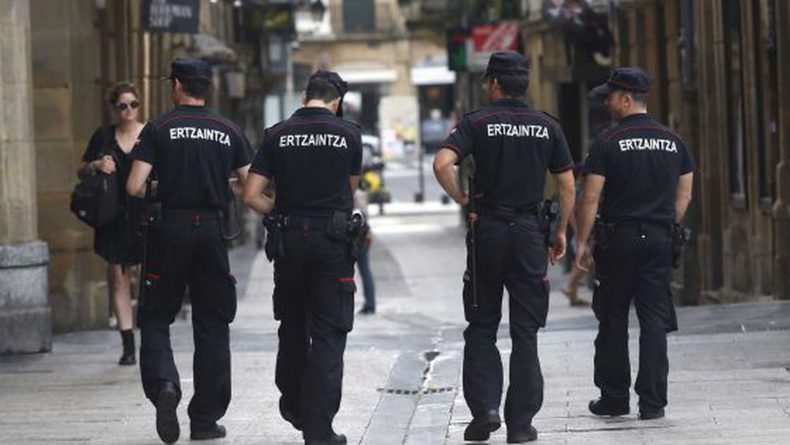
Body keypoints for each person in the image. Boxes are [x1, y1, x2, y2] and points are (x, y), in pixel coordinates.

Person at [433, 51, 576, 444]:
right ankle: (521, 424)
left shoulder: (476, 122)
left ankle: (485, 410)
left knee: (482, 324)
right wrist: (561, 231)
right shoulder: (547, 126)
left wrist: (462, 198)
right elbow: (566, 185)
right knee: (525, 331)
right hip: (529, 232)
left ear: (494, 83)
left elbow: (442, 164)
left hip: (489, 231)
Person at [126, 57, 252, 444]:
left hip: (169, 230)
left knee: (156, 316)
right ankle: (205, 419)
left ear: (177, 85)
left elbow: (134, 186)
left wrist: (163, 184)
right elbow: (250, 186)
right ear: (206, 88)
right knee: (213, 322)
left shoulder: (159, 127)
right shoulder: (228, 129)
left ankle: (165, 385)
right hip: (211, 231)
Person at [243, 70, 362, 445]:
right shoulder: (349, 135)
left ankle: (294, 402)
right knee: (329, 333)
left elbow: (251, 194)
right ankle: (319, 428)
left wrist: (280, 210)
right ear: (336, 102)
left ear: (304, 96)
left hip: (290, 240)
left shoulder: (276, 134)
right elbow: (350, 189)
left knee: (292, 325)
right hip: (332, 242)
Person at [575, 67, 694, 421]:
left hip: (619, 241)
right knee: (654, 321)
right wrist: (667, 224)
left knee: (612, 318)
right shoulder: (674, 141)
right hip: (658, 239)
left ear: (626, 99)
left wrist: (582, 242)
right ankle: (653, 403)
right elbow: (684, 194)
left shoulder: (607, 143)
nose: (606, 103)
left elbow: (590, 198)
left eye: (610, 96)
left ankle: (614, 398)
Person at [77, 82, 145, 366]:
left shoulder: (150, 134)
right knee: (118, 278)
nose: (128, 110)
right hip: (113, 215)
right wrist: (96, 165)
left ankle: (150, 334)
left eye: (133, 104)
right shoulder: (103, 136)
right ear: (114, 108)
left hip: (145, 214)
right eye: (122, 106)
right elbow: (81, 169)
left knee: (148, 276)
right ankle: (128, 345)